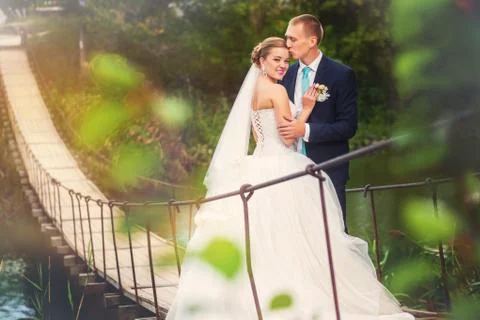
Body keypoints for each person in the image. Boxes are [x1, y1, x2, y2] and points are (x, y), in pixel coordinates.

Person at [166, 37, 413, 320]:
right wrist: (307, 107)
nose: (283, 65)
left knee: (263, 239)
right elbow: (288, 138)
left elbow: (259, 137)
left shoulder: (253, 92)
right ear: (261, 61)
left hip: (256, 163)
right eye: (276, 60)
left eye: (286, 60)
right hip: (281, 166)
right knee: (295, 238)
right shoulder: (277, 91)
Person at [280, 14, 357, 231]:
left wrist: (305, 130)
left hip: (329, 168)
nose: (287, 44)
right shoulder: (285, 74)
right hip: (290, 167)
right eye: (287, 38)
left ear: (312, 41)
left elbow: (348, 126)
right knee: (299, 234)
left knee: (334, 234)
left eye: (293, 39)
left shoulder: (341, 75)